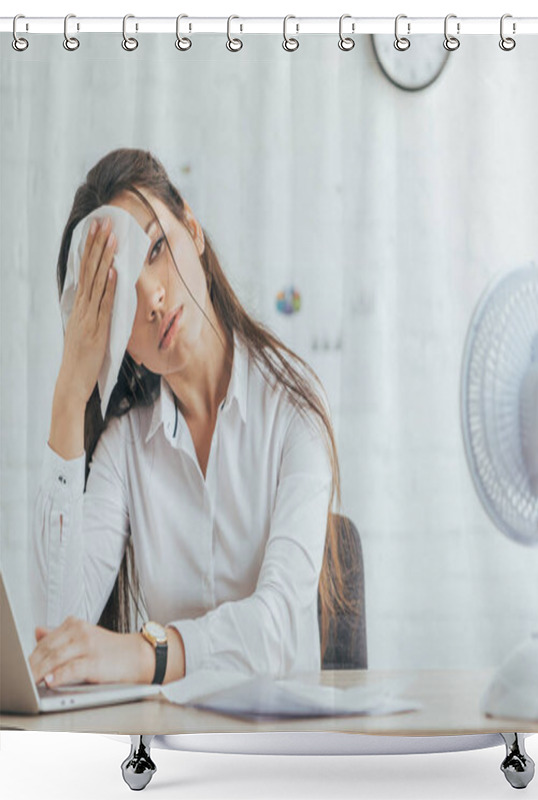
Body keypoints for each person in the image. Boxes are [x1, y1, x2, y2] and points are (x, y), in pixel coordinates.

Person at [28, 148, 356, 688]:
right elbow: (61, 632)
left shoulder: (293, 411)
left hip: (286, 751)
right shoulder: (125, 445)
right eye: (124, 297)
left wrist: (147, 655)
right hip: (173, 755)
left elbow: (276, 626)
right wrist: (71, 391)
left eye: (156, 248)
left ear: (193, 231)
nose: (153, 297)